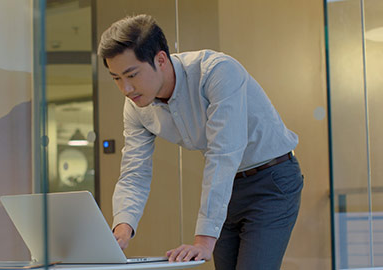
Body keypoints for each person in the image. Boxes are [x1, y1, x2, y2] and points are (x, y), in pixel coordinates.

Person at [97, 14, 303, 270]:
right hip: (227, 189)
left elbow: (223, 153)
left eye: (131, 75)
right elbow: (134, 172)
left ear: (160, 59)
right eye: (116, 78)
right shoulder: (136, 106)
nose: (125, 89)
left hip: (272, 181)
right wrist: (123, 228)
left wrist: (204, 240)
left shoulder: (217, 71)